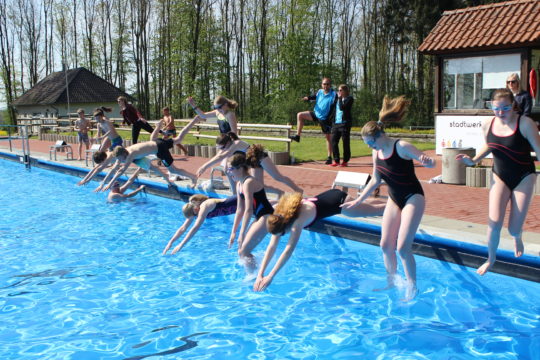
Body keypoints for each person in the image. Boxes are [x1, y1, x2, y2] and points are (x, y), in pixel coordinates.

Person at [340, 96, 435, 302]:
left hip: (413, 197)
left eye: (371, 143)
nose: (370, 147)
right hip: (394, 198)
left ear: (381, 135)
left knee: (402, 247)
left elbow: (430, 164)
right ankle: (391, 281)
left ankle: (412, 286)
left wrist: (428, 163)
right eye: (367, 144)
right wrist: (357, 201)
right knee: (385, 245)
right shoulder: (377, 153)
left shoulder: (402, 146)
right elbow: (375, 180)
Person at [456, 88, 540, 276]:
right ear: (491, 107)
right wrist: (474, 160)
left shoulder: (525, 124)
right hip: (500, 175)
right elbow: (491, 144)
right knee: (493, 222)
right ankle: (490, 259)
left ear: (513, 106)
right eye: (496, 108)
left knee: (512, 228)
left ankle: (517, 236)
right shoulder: (488, 124)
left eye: (506, 108)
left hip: (524, 177)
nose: (501, 112)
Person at [253, 189, 385, 292]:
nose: (279, 237)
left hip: (340, 204)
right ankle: (393, 201)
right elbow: (271, 246)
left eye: (281, 235)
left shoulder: (297, 223)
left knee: (378, 210)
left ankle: (399, 204)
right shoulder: (280, 216)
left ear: (286, 227)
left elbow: (287, 251)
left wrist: (270, 276)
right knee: (367, 206)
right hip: (331, 194)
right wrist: (260, 274)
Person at [101, 116, 201, 191]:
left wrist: (109, 184)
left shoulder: (130, 155)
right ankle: (194, 120)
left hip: (160, 149)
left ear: (123, 155)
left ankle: (193, 177)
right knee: (179, 139)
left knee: (173, 170)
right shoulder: (127, 149)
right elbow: (119, 165)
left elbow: (120, 171)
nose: (121, 161)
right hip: (156, 142)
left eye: (120, 159)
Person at [196, 132, 302, 194]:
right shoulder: (227, 147)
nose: (221, 150)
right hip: (253, 163)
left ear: (228, 143)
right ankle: (279, 192)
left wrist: (204, 166)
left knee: (277, 177)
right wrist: (205, 165)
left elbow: (222, 156)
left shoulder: (236, 143)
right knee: (259, 186)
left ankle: (298, 190)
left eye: (222, 147)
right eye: (219, 148)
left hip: (261, 158)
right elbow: (218, 155)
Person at [227, 152, 275, 270]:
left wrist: (242, 233)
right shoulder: (239, 184)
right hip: (259, 217)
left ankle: (255, 276)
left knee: (244, 251)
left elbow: (248, 210)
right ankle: (256, 272)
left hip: (266, 216)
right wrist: (234, 232)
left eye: (231, 169)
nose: (228, 172)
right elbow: (240, 209)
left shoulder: (248, 182)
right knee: (241, 252)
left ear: (240, 168)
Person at [163, 194, 239, 255]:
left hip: (239, 200)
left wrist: (181, 245)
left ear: (195, 210)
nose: (196, 217)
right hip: (240, 206)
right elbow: (183, 228)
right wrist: (171, 242)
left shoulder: (205, 206)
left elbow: (195, 227)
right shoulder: (194, 209)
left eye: (195, 216)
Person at [290, 77, 337, 164]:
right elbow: (314, 96)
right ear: (321, 85)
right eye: (324, 84)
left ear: (330, 85)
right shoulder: (319, 92)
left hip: (325, 119)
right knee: (300, 115)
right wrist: (307, 98)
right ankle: (297, 136)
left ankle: (329, 157)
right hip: (316, 114)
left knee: (328, 138)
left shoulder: (334, 94)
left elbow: (334, 108)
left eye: (327, 84)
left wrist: (329, 119)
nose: (325, 86)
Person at [330, 84, 354, 167]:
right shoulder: (337, 99)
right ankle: (336, 160)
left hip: (345, 123)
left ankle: (345, 161)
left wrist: (340, 99)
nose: (339, 92)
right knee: (333, 141)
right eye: (338, 90)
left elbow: (342, 108)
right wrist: (332, 121)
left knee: (345, 142)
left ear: (345, 91)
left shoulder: (349, 99)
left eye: (340, 90)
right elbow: (335, 110)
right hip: (336, 123)